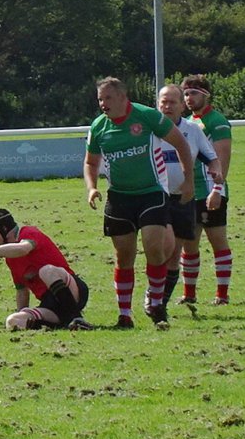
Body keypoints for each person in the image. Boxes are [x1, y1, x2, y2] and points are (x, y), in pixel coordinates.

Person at [83, 78, 193, 329]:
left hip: (151, 193)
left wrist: (188, 180)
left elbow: (180, 143)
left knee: (154, 248)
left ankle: (155, 303)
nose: (103, 104)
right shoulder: (99, 127)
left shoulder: (147, 116)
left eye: (108, 98)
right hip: (119, 197)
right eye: (100, 99)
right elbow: (91, 162)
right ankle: (124, 315)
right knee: (123, 256)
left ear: (123, 97)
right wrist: (91, 188)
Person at [153, 83, 223, 316]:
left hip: (183, 198)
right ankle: (153, 296)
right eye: (163, 101)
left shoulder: (192, 130)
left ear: (182, 106)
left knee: (174, 255)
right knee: (165, 246)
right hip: (156, 198)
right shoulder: (149, 129)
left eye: (172, 102)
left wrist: (217, 179)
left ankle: (159, 303)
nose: (166, 106)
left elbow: (211, 159)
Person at [0, 206, 91, 331]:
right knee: (12, 321)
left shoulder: (28, 233)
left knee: (46, 271)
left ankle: (77, 318)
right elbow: (22, 291)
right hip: (51, 305)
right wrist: (22, 314)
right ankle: (64, 324)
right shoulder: (10, 258)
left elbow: (23, 249)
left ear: (4, 229)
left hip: (72, 290)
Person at [179, 74, 235, 305]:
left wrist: (217, 190)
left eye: (193, 93)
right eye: (185, 94)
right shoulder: (188, 123)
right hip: (190, 193)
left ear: (205, 95)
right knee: (189, 245)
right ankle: (189, 295)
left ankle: (222, 296)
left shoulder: (217, 121)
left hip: (211, 192)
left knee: (217, 242)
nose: (188, 98)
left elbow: (223, 160)